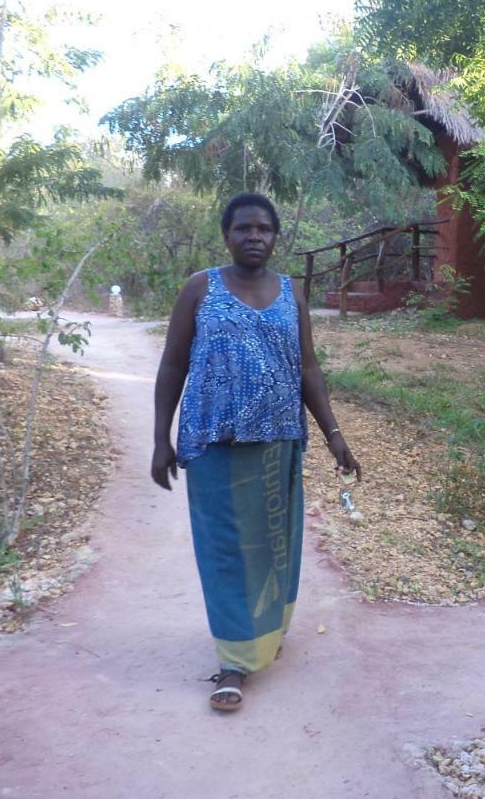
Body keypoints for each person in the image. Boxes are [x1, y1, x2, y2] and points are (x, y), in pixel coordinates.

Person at [151, 192, 361, 712]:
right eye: (244, 228)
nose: (254, 237)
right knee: (226, 550)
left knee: (274, 546)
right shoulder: (201, 288)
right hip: (214, 444)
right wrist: (161, 437)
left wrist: (334, 434)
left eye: (264, 229)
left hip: (278, 441)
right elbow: (173, 364)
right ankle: (233, 662)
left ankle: (266, 634)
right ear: (227, 234)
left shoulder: (292, 293)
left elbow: (308, 369)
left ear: (275, 236)